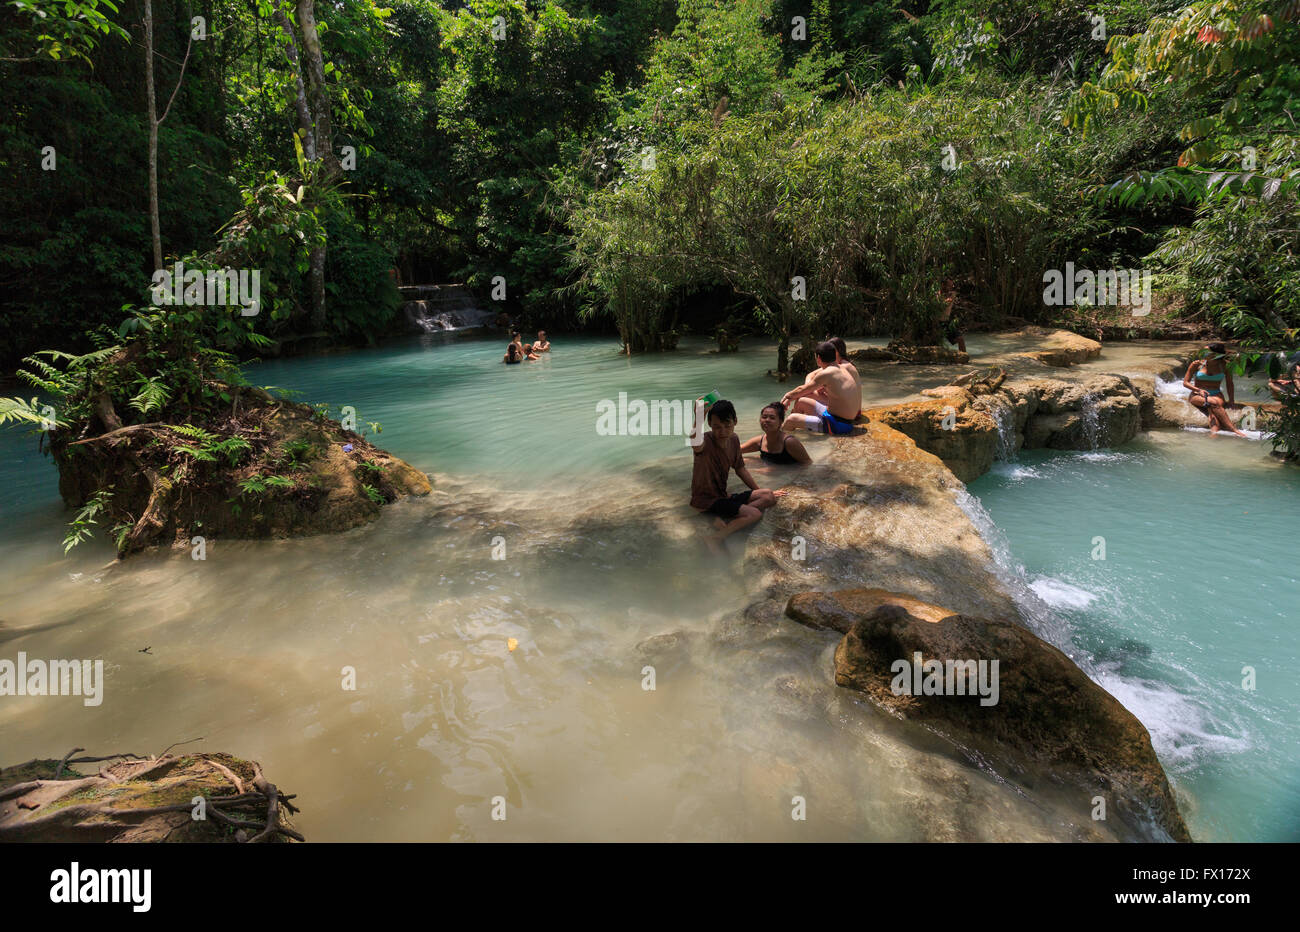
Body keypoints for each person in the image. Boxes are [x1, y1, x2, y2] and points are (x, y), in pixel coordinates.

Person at [689, 399, 784, 547]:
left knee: (769, 496)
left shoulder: (733, 439)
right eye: (717, 427)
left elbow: (740, 469)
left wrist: (758, 491)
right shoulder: (705, 441)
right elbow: (695, 442)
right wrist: (699, 416)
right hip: (706, 501)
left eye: (727, 426)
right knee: (755, 514)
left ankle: (724, 518)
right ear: (709, 425)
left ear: (735, 422)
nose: (723, 432)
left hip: (722, 496)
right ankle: (717, 537)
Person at [780, 342, 863, 434]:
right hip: (839, 418)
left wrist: (787, 397)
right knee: (801, 402)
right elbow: (805, 389)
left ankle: (782, 441)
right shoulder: (842, 368)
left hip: (838, 424)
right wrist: (791, 398)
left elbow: (802, 389)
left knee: (791, 420)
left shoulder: (827, 373)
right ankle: (797, 433)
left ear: (818, 358)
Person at [1182, 342, 1248, 437]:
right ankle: (1233, 429)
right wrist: (1199, 390)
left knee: (1212, 411)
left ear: (1217, 354)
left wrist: (1231, 400)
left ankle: (1214, 435)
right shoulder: (1196, 364)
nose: (1204, 353)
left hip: (1216, 394)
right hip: (1197, 395)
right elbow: (1185, 383)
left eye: (1207, 352)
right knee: (1213, 403)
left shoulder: (1225, 365)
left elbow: (1230, 384)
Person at [740, 402, 811, 465]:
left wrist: (772, 471)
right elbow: (736, 450)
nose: (767, 420)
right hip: (769, 468)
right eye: (764, 417)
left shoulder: (789, 442)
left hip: (786, 476)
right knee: (742, 461)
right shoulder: (759, 441)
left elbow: (808, 464)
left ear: (780, 422)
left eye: (772, 418)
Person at [939, 279, 966, 353]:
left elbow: (948, 302)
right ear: (943, 285)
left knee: (960, 339)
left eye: (952, 285)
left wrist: (949, 297)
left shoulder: (952, 294)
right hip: (937, 323)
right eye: (950, 285)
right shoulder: (937, 295)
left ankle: (964, 357)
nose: (952, 287)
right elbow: (942, 304)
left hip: (946, 322)